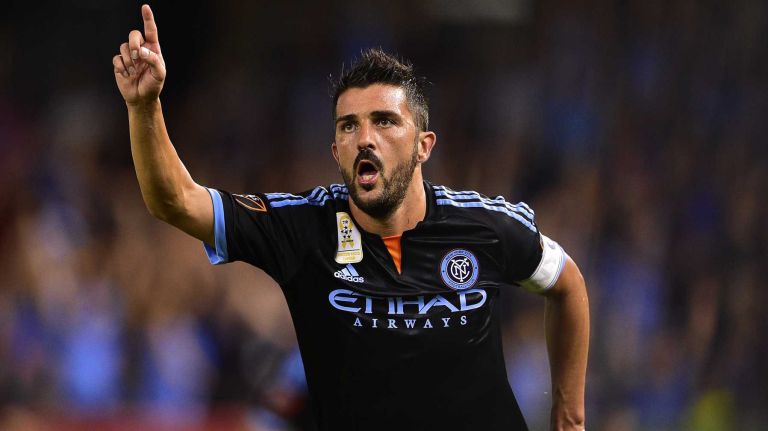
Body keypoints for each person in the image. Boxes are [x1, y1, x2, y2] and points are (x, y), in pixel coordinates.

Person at [112, 5, 589, 430]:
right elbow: (174, 201)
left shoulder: (485, 226)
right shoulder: (302, 228)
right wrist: (144, 106)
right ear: (335, 149)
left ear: (424, 146)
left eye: (384, 121)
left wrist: (568, 417)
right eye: (349, 125)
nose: (365, 137)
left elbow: (566, 283)